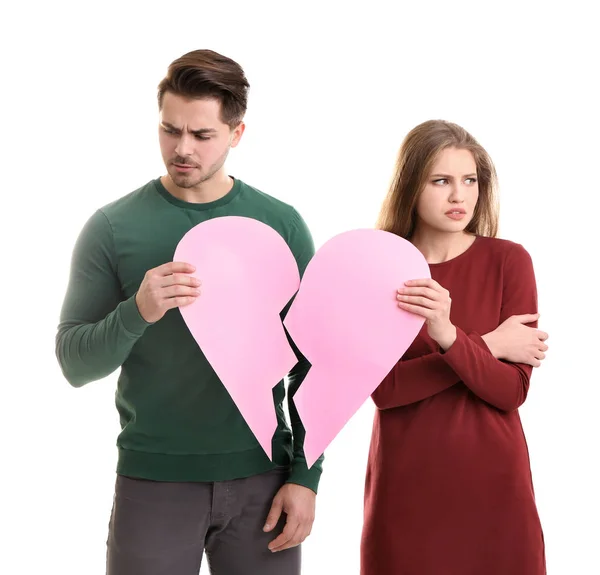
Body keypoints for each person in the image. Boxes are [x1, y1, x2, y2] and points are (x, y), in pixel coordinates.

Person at [55, 49, 322, 575]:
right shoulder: (113, 227)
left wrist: (304, 478)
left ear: (237, 133)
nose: (181, 149)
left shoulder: (281, 225)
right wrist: (138, 310)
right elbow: (73, 363)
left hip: (262, 481)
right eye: (169, 130)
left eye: (202, 136)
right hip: (153, 480)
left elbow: (313, 365)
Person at [361, 120, 548, 574]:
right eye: (440, 181)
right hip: (407, 487)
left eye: (470, 181)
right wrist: (486, 344)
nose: (458, 196)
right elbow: (385, 393)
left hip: (495, 486)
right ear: (410, 185)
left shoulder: (509, 261)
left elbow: (509, 393)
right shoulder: (378, 268)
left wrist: (449, 335)